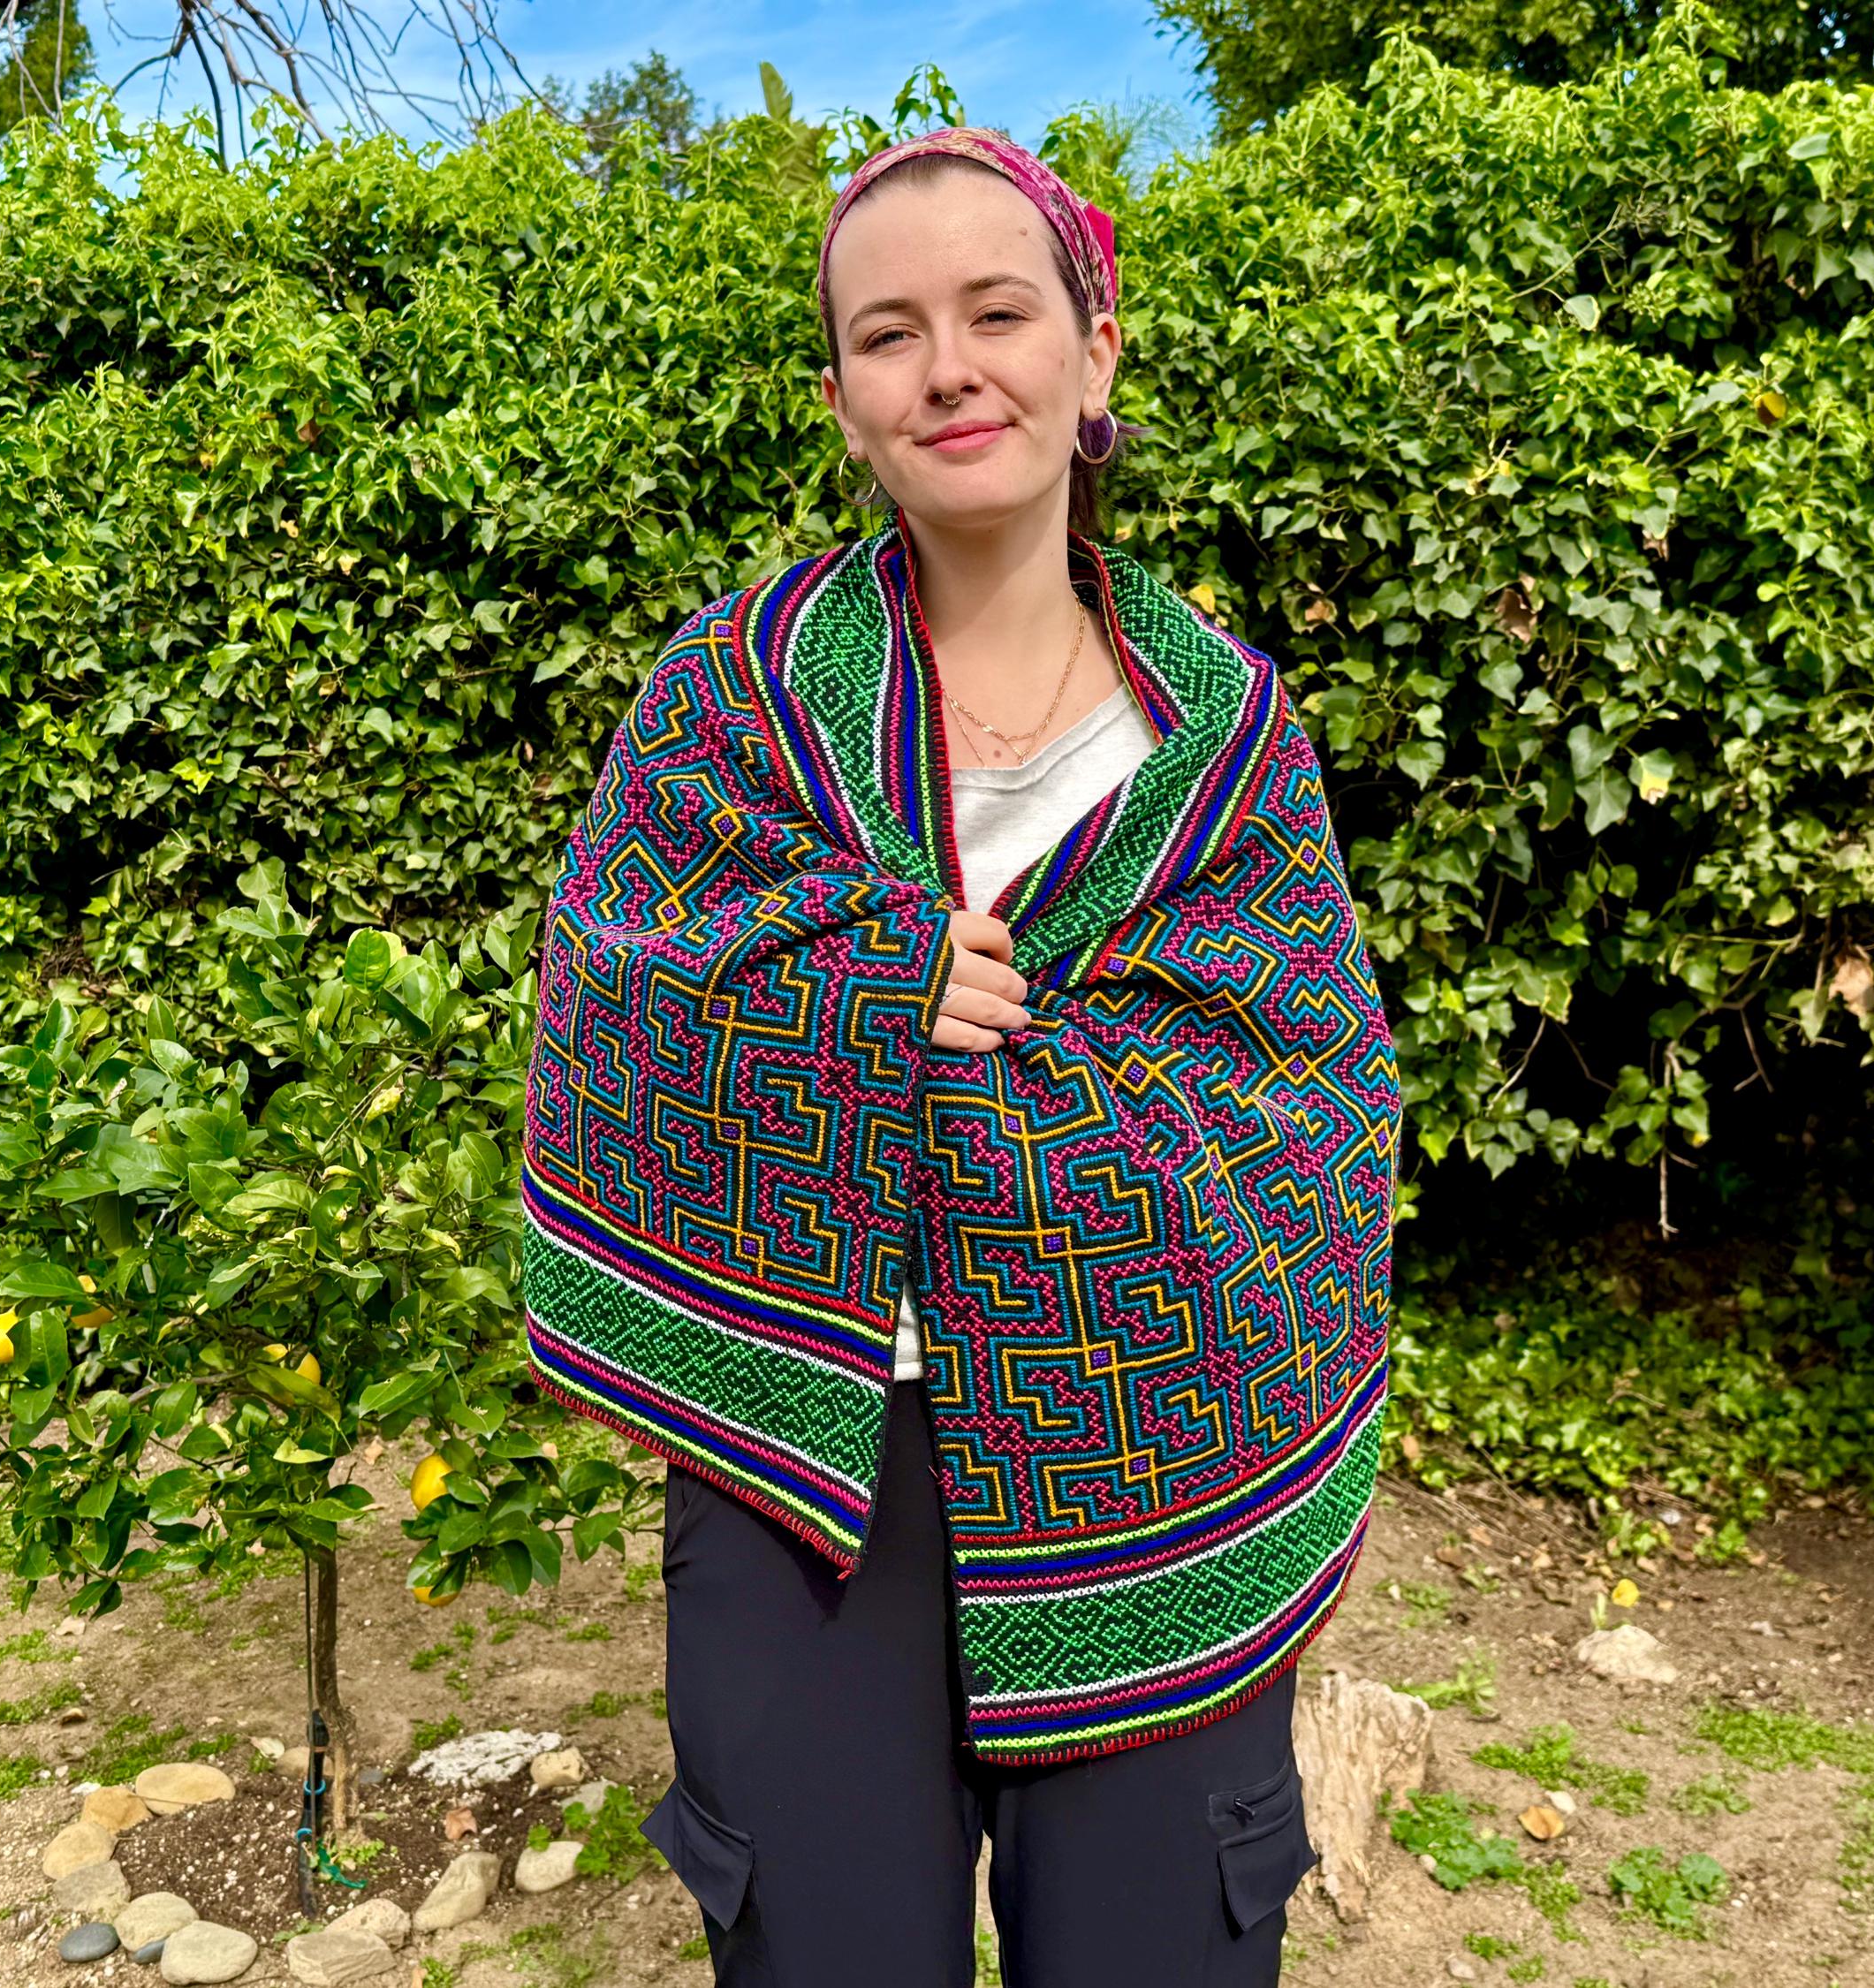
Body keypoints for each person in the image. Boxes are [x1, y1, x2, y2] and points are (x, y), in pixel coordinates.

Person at [519, 126, 1401, 1988]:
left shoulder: (1232, 735)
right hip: (807, 1472)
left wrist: (1031, 1091)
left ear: (1095, 349)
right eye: (889, 333)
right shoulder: (734, 692)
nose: (948, 369)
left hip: (1157, 1463)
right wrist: (860, 998)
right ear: (845, 400)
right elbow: (612, 994)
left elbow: (1311, 1109)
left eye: (999, 312)